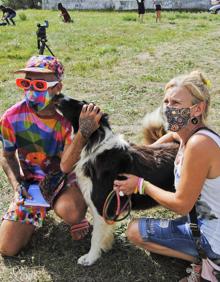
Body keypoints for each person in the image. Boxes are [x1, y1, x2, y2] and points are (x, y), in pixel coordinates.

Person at [113, 71, 220, 281]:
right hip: (208, 222)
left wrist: (141, 185)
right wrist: (143, 154)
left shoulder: (199, 146)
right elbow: (171, 134)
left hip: (213, 235)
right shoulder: (193, 134)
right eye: (166, 101)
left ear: (197, 108)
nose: (168, 108)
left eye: (176, 103)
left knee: (135, 231)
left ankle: (208, 261)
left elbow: (181, 205)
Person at [0, 55, 100, 257]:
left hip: (64, 180)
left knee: (71, 211)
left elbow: (65, 166)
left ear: (57, 88)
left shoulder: (69, 118)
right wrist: (17, 185)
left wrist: (83, 132)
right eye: (26, 83)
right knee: (7, 249)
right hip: (31, 185)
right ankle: (35, 211)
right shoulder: (11, 117)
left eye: (39, 84)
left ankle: (73, 212)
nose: (31, 90)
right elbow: (6, 155)